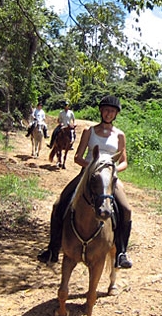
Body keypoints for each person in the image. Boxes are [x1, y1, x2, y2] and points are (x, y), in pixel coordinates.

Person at [37, 95, 133, 268]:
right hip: (86, 175)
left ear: (116, 114)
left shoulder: (120, 135)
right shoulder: (90, 131)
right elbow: (77, 157)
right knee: (59, 204)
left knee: (125, 209)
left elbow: (124, 161)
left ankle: (121, 252)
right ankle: (52, 249)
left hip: (109, 177)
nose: (108, 113)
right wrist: (93, 169)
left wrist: (111, 171)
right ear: (101, 111)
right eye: (106, 110)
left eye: (112, 111)